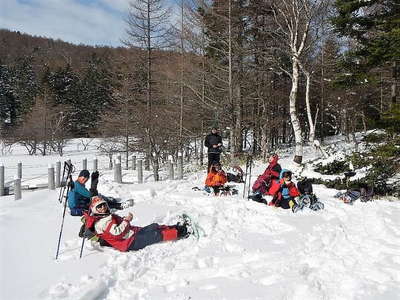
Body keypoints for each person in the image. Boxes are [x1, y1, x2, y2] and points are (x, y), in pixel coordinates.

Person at [81, 196, 190, 252]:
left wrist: (123, 220)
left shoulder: (104, 216)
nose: (103, 207)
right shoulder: (102, 222)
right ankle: (182, 232)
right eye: (99, 206)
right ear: (95, 209)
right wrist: (126, 220)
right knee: (155, 235)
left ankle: (177, 227)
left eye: (103, 204)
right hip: (128, 243)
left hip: (131, 234)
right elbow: (117, 233)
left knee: (154, 227)